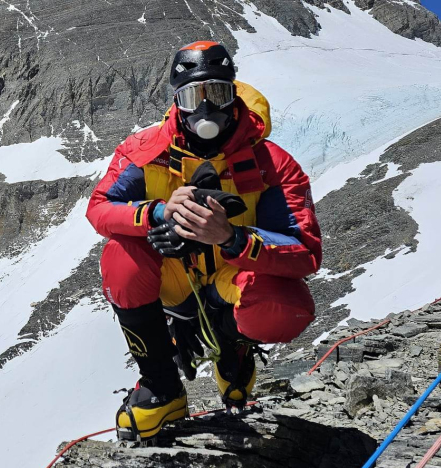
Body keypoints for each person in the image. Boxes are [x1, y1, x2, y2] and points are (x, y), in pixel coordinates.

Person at [85, 41, 322, 442]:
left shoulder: (272, 163)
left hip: (234, 277)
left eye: (218, 92)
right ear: (177, 102)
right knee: (120, 257)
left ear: (234, 95)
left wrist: (232, 238)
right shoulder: (144, 152)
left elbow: (304, 252)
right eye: (194, 95)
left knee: (287, 308)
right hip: (175, 278)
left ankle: (234, 346)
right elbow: (100, 208)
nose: (206, 107)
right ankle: (161, 387)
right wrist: (157, 214)